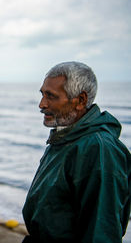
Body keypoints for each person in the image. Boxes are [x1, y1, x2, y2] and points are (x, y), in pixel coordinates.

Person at [22, 61, 131, 242]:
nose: (41, 104)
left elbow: (101, 231)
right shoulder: (65, 137)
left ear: (80, 100)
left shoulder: (99, 150)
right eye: (42, 94)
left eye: (51, 96)